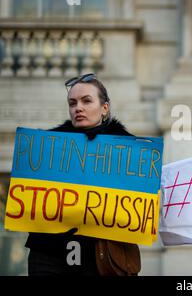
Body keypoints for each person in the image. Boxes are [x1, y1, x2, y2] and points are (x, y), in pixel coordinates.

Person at [25, 73, 140, 276]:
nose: (78, 108)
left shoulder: (130, 150)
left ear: (105, 108)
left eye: (86, 101)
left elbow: (159, 182)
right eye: (72, 103)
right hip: (49, 256)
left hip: (102, 257)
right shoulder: (48, 147)